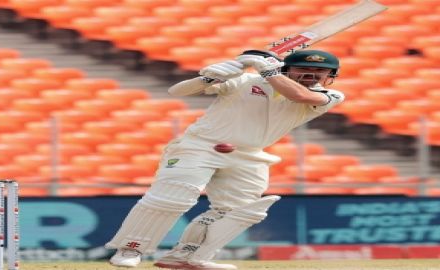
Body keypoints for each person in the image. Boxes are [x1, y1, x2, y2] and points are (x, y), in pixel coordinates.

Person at [105, 49, 345, 269]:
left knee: (240, 211)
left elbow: (299, 96)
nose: (311, 74)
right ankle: (130, 249)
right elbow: (177, 91)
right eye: (304, 69)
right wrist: (209, 78)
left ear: (330, 75)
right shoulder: (245, 81)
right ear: (287, 68)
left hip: (250, 154)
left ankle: (186, 257)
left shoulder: (330, 95)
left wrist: (268, 70)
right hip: (200, 146)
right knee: (175, 195)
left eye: (320, 71)